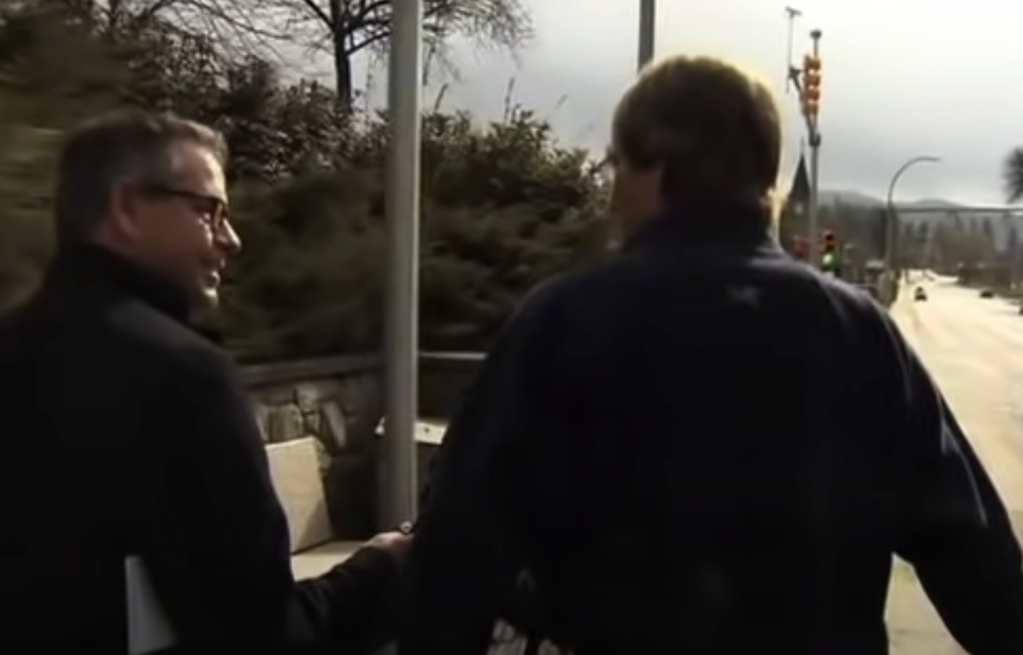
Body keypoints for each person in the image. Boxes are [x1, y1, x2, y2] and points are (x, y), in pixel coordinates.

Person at [399, 56, 1023, 655]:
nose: (611, 197)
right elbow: (974, 555)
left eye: (618, 165)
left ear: (656, 168)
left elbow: (457, 548)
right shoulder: (859, 333)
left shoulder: (564, 321)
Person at [0, 112, 409, 655]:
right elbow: (263, 637)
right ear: (127, 207)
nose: (231, 240)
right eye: (209, 212)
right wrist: (383, 569)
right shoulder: (184, 375)